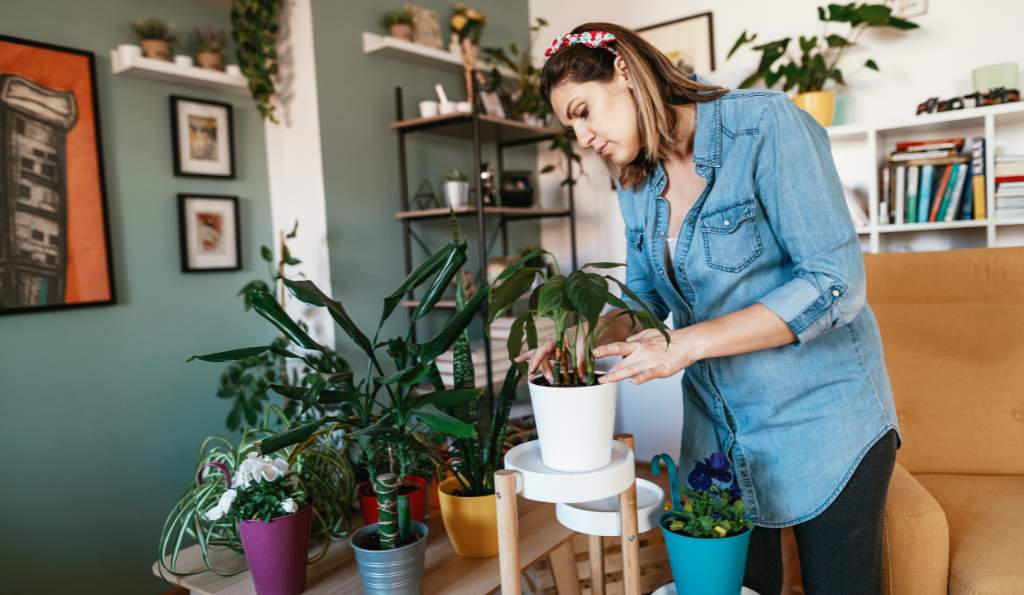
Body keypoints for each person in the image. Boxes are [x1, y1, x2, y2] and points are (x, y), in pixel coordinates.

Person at [514, 22, 900, 594]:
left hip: (823, 423)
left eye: (583, 110)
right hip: (717, 433)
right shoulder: (635, 185)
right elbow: (642, 298)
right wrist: (580, 336)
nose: (583, 136)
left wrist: (687, 343)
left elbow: (834, 283)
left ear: (623, 70)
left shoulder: (765, 125)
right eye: (571, 125)